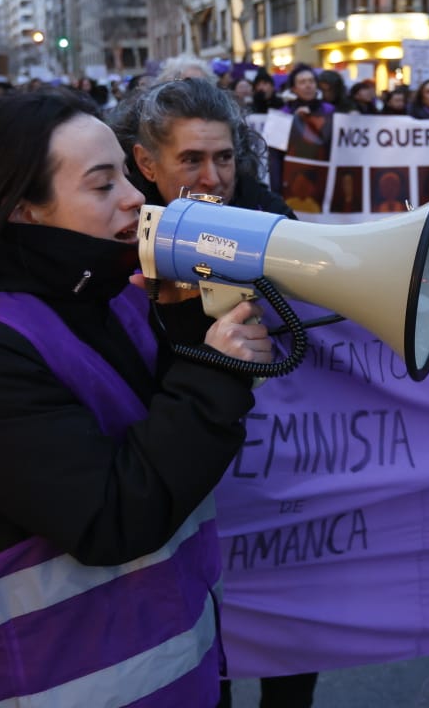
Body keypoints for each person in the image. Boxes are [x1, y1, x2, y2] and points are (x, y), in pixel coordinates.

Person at [0, 92, 272, 707]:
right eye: (102, 184)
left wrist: (190, 328)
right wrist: (216, 372)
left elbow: (154, 437)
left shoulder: (102, 293)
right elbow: (111, 517)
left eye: (126, 175)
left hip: (171, 662)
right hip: (56, 684)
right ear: (23, 208)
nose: (135, 197)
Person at [111, 78, 320, 708]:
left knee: (289, 627)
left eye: (224, 157)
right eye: (191, 160)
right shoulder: (117, 233)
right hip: (175, 466)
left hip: (265, 472)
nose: (213, 177)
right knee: (202, 633)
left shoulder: (269, 219)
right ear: (147, 163)